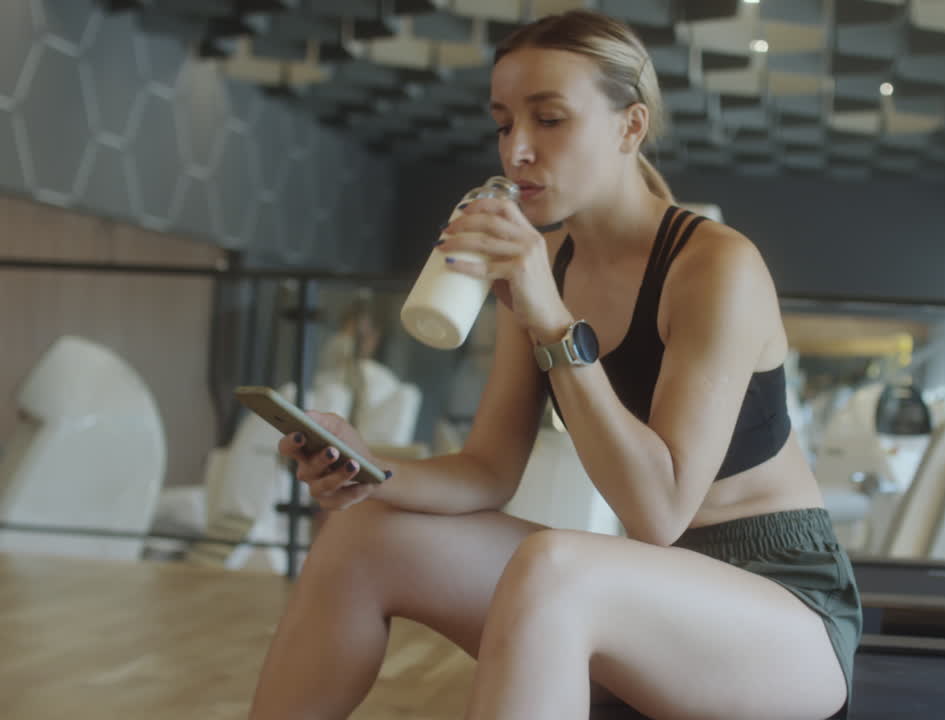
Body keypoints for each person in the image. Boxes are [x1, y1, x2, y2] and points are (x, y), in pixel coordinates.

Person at [250, 10, 860, 720]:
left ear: (630, 127)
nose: (518, 152)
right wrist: (368, 471)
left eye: (550, 119)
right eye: (504, 123)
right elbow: (487, 470)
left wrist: (548, 315)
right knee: (360, 537)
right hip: (648, 590)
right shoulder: (547, 267)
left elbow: (659, 511)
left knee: (556, 568)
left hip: (783, 606)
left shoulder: (715, 265)